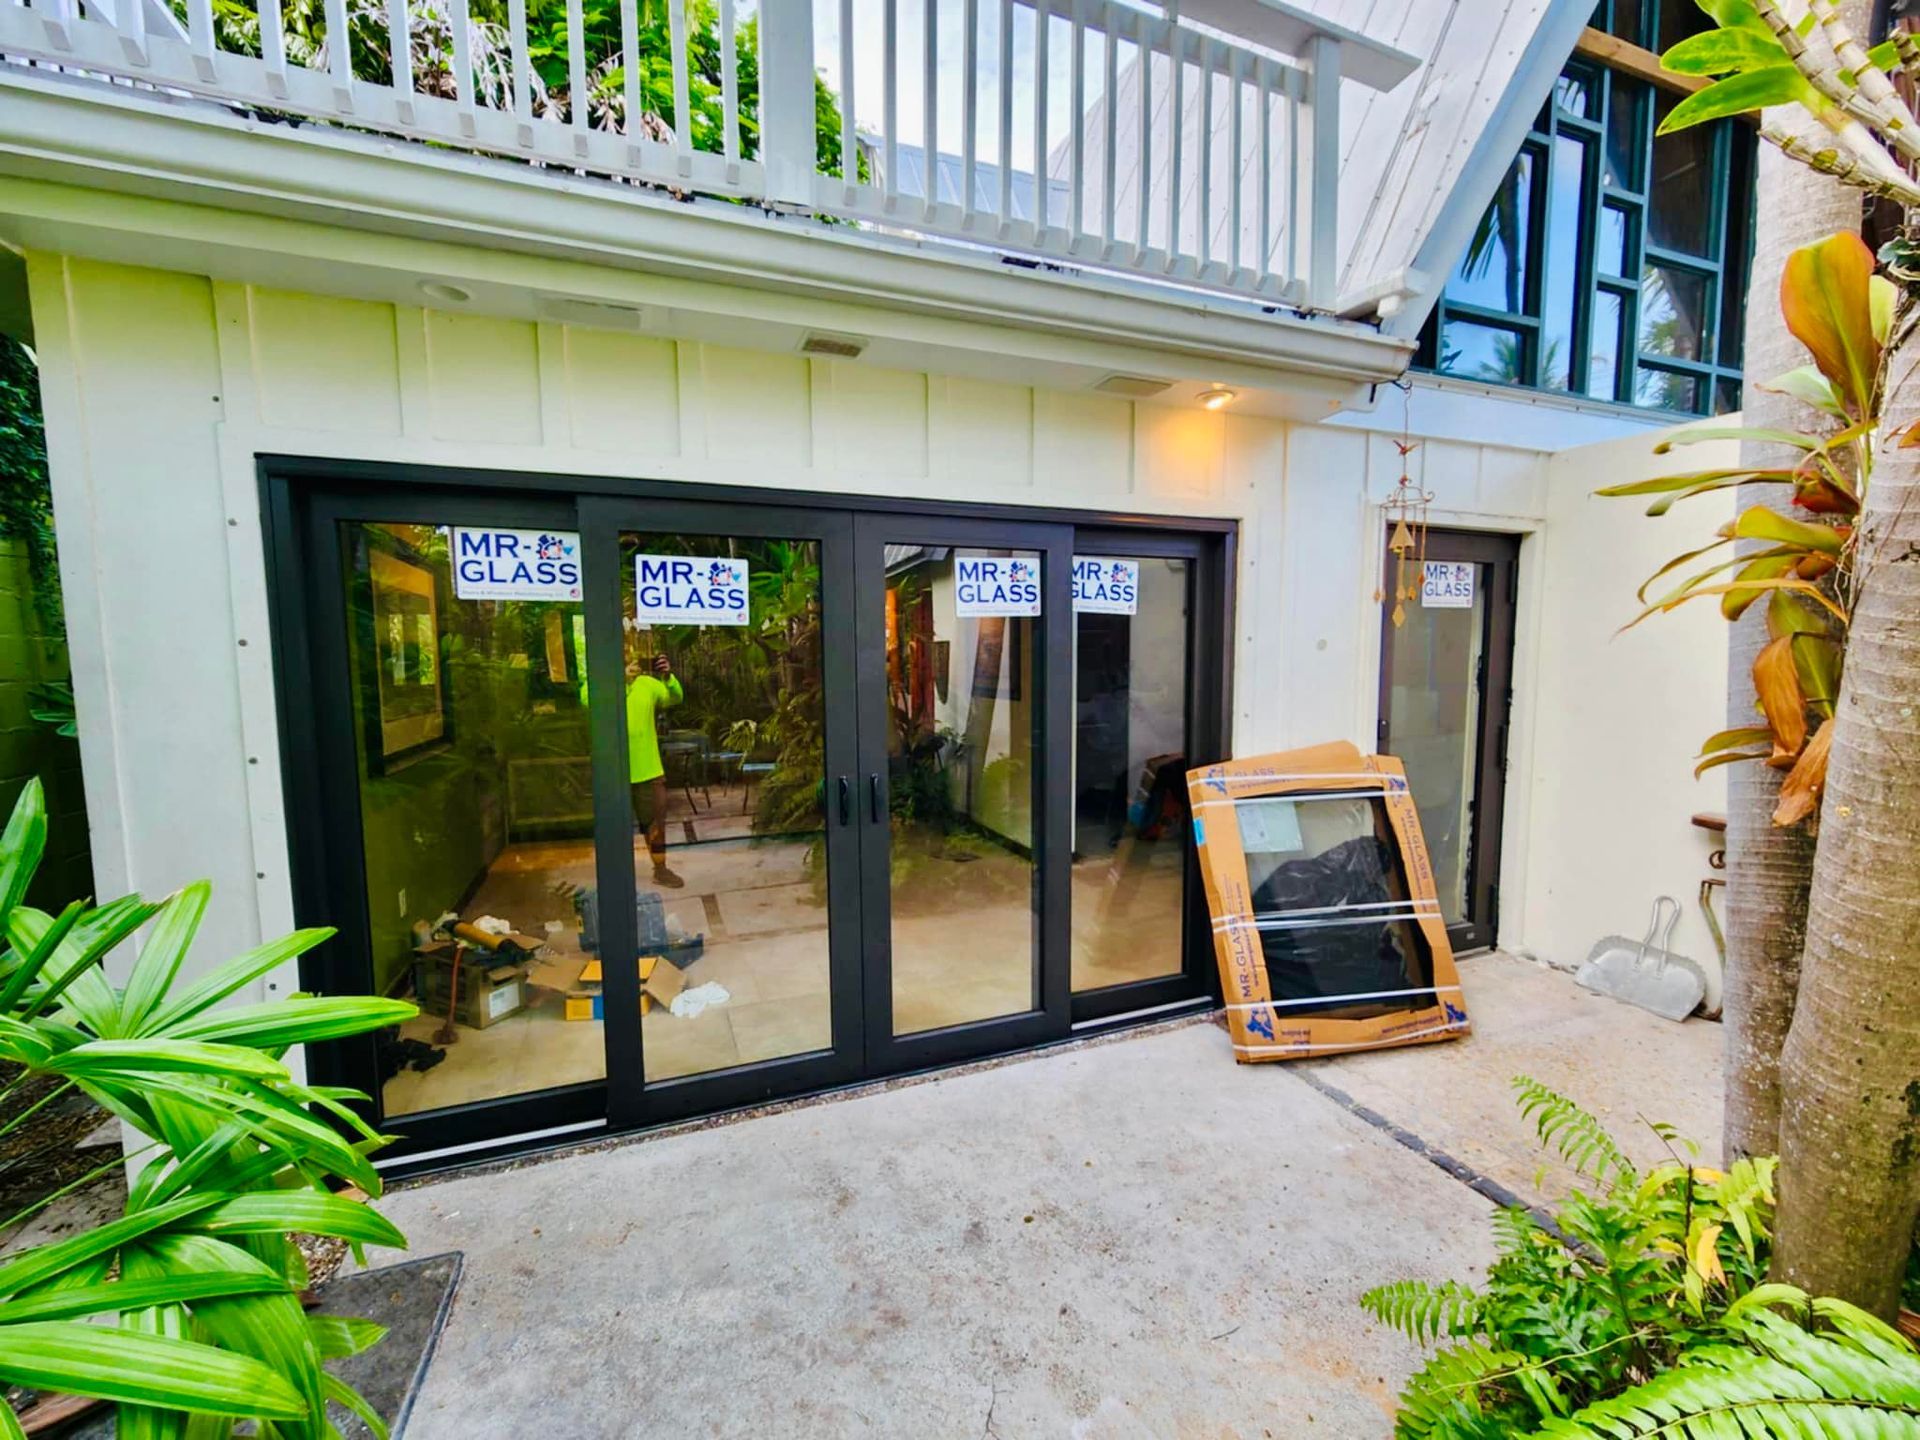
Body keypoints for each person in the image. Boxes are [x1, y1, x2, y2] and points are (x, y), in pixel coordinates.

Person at [628, 652, 685, 888]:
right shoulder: (599, 682)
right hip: (611, 771)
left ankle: (660, 869)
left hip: (648, 769)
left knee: (655, 827)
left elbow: (675, 698)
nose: (631, 663)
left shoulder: (647, 684)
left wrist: (667, 676)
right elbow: (587, 699)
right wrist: (620, 682)